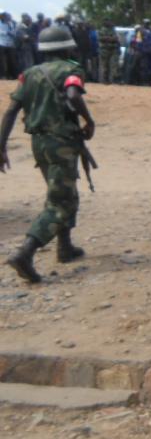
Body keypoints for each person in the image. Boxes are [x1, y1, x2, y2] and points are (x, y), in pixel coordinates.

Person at [0, 26, 96, 283]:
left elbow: (11, 111)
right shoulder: (71, 70)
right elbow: (73, 94)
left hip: (39, 143)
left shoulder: (29, 74)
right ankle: (25, 252)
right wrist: (89, 120)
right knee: (60, 201)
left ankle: (65, 247)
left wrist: (1, 146)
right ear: (67, 47)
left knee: (62, 192)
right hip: (62, 142)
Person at [0, 12, 17, 79]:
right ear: (2, 17)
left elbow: (14, 31)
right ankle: (2, 75)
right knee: (2, 61)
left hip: (10, 44)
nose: (8, 19)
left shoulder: (10, 23)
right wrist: (7, 32)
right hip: (2, 44)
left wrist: (12, 33)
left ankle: (10, 75)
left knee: (11, 60)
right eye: (6, 17)